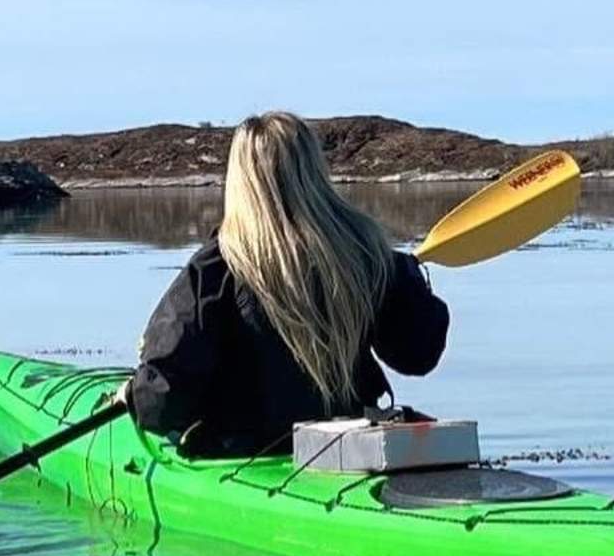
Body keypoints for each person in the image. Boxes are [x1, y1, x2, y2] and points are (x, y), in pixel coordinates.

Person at [123, 112, 450, 458]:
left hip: (250, 454)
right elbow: (419, 354)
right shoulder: (368, 256)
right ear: (314, 170)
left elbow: (160, 404)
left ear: (241, 180)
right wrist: (408, 278)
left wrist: (133, 394)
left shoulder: (217, 267)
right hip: (349, 448)